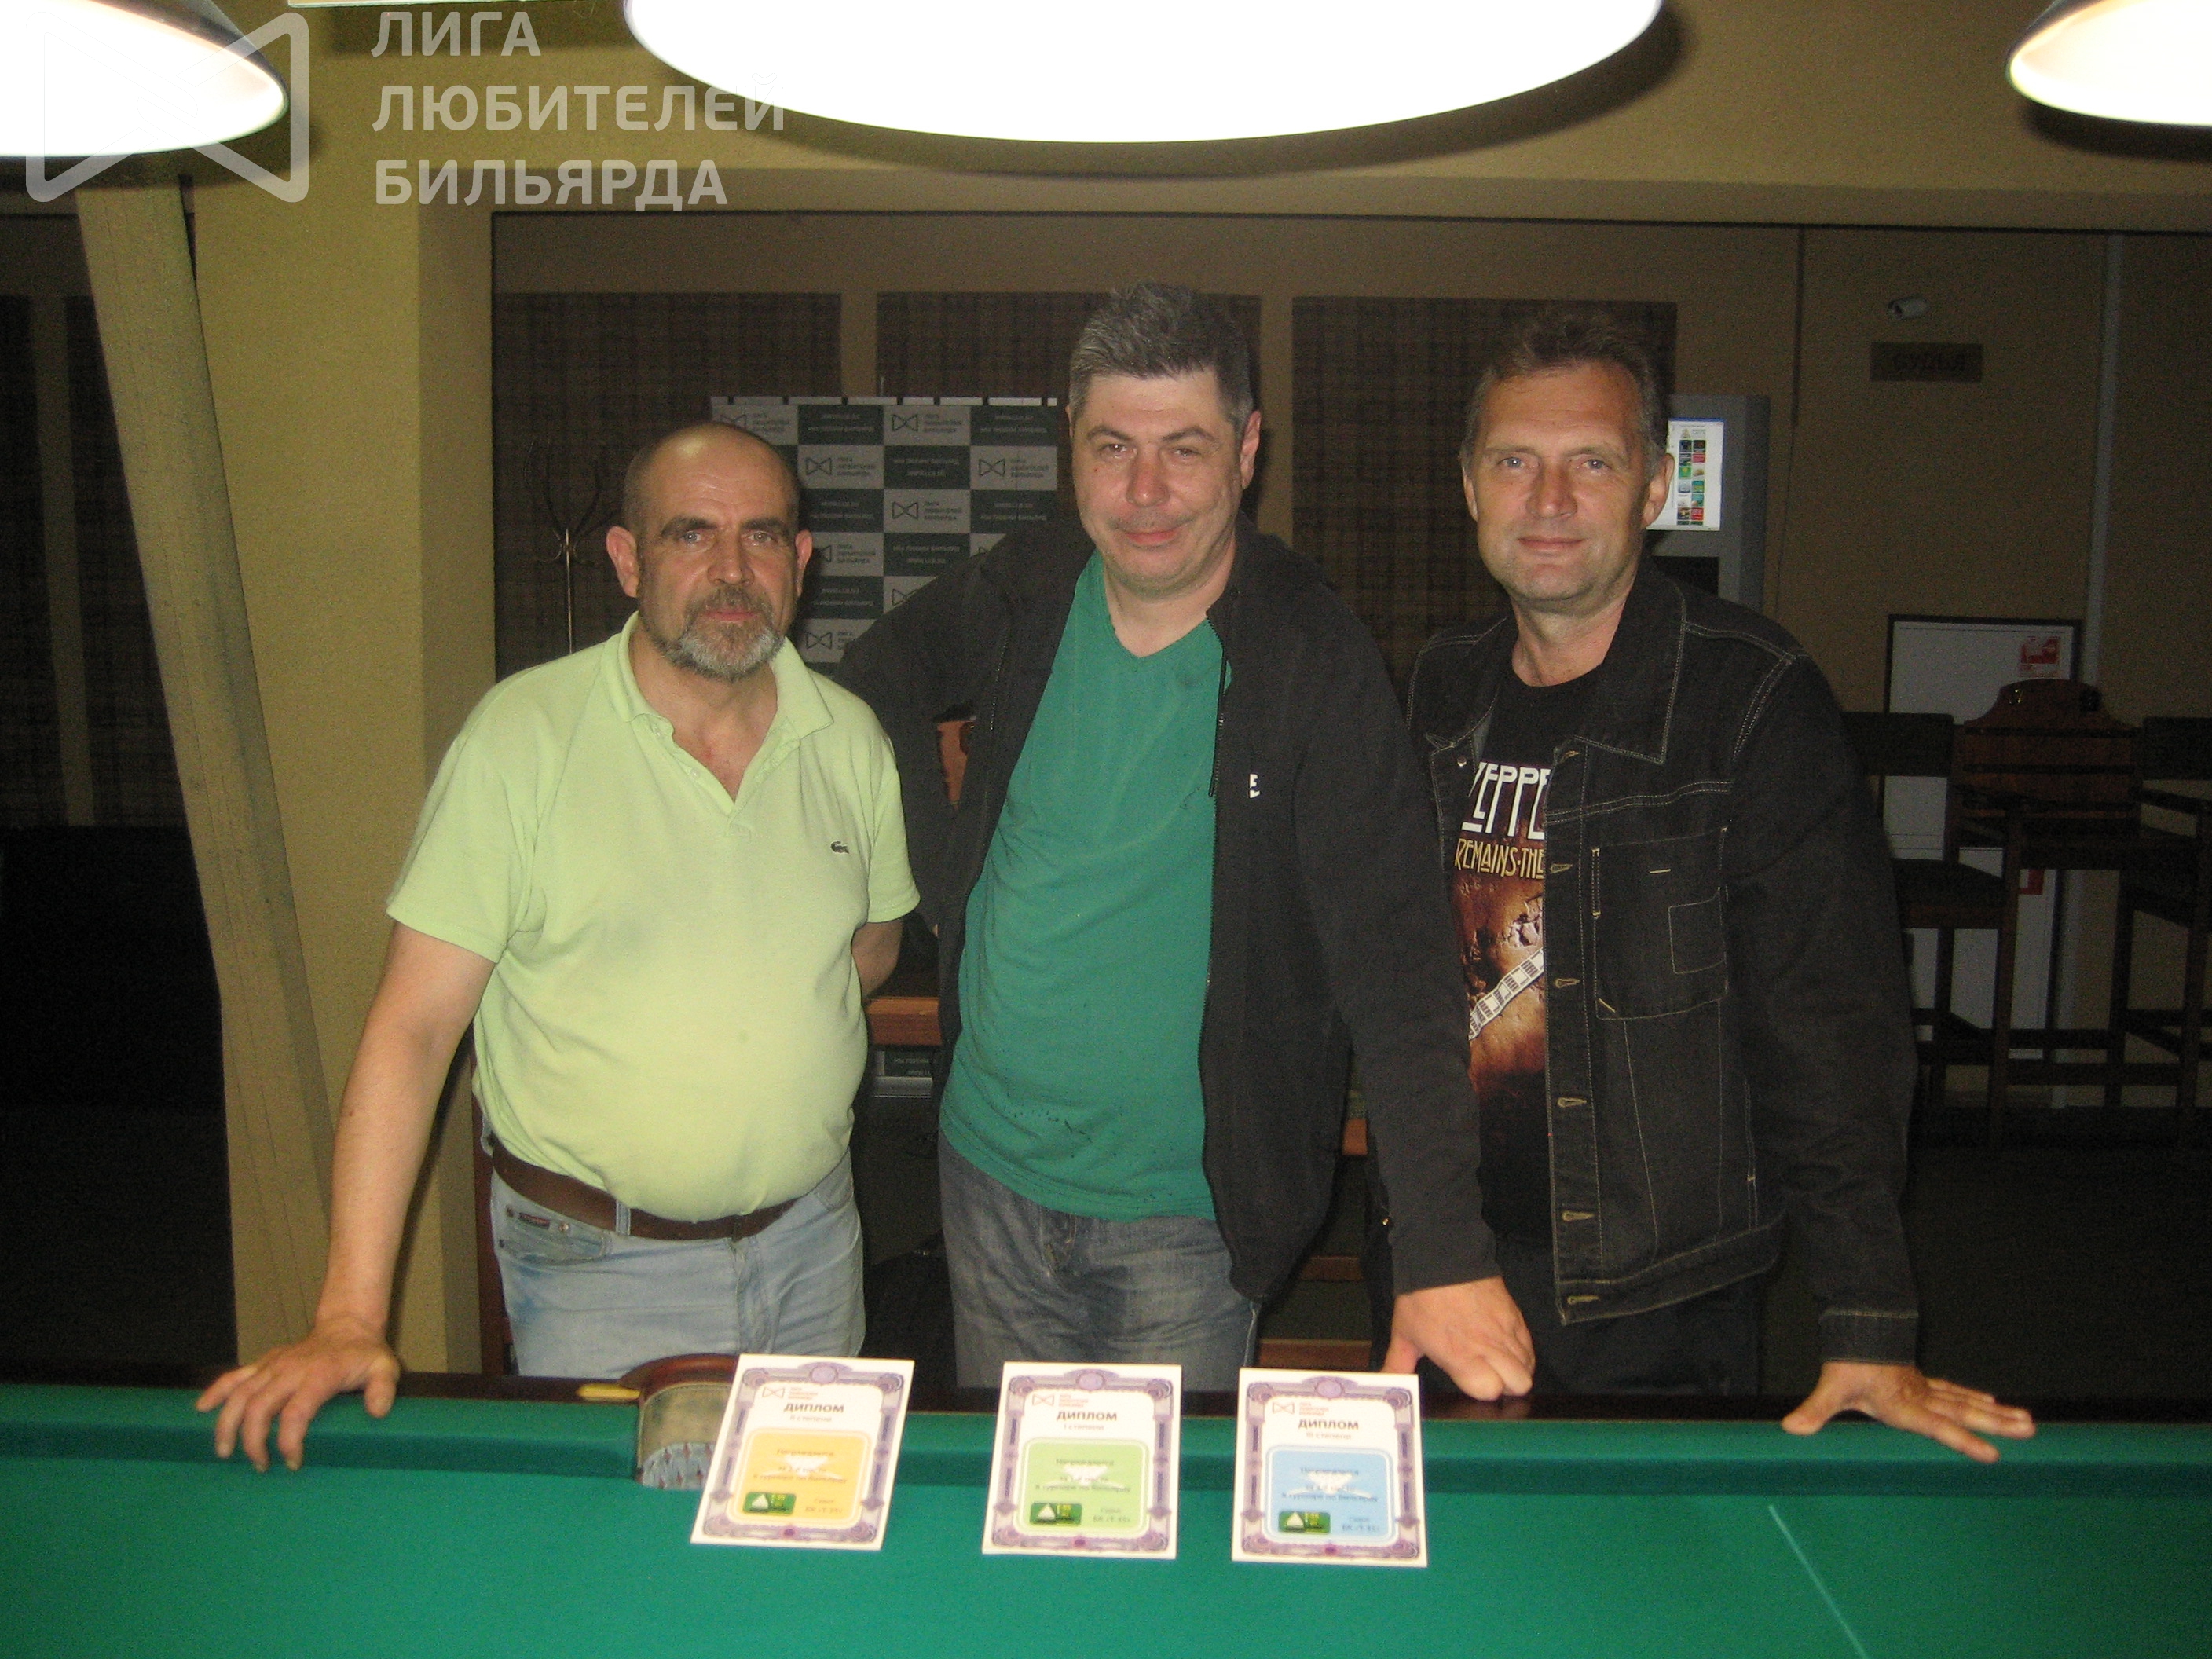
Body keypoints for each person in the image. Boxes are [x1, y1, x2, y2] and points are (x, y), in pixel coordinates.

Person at [839, 282, 1533, 1395]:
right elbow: (880, 673)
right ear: (1072, 445)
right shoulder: (1025, 587)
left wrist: (1444, 1248)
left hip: (1188, 1219)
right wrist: (940, 874)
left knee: (1160, 1500)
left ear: (1248, 451)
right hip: (986, 1177)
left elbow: (1400, 972)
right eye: (1113, 447)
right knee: (1015, 1486)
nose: (1146, 492)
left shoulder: (1312, 657)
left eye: (1186, 449)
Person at [200, 423, 917, 1470]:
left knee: (808, 1540)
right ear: (627, 560)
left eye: (761, 535)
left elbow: (870, 948)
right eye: (691, 535)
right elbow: (414, 1029)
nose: (731, 571)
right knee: (614, 1560)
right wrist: (350, 1315)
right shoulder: (520, 740)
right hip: (601, 1274)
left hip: (816, 1248)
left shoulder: (849, 737)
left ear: (800, 563)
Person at [1390, 304, 2034, 1459]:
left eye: (1592, 463)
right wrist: (1428, 1244)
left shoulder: (1752, 697)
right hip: (1457, 1265)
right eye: (1516, 462)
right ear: (1471, 486)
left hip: (1656, 1294)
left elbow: (1832, 1025)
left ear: (1655, 487)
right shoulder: (1443, 686)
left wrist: (1868, 1318)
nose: (1549, 499)